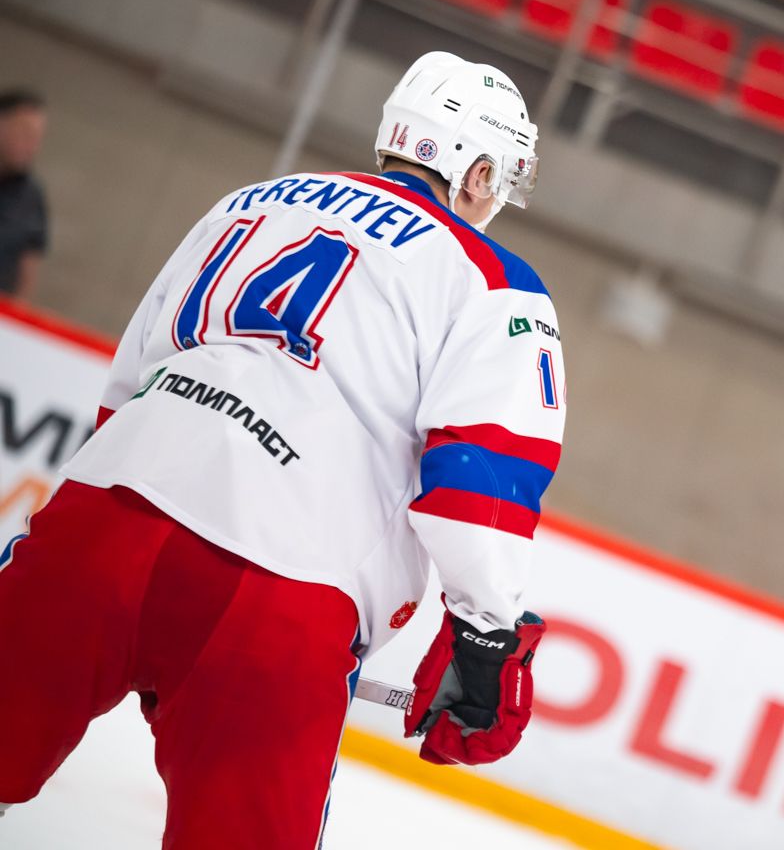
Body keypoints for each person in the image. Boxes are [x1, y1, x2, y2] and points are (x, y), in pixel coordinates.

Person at [0, 52, 567, 847]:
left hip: (100, 524)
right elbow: (481, 486)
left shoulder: (246, 203)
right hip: (279, 596)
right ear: (477, 171)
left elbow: (128, 383)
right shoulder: (494, 284)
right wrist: (486, 638)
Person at [0, 90, 49, 300]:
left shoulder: (31, 198)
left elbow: (28, 271)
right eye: (25, 133)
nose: (31, 145)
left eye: (37, 138)